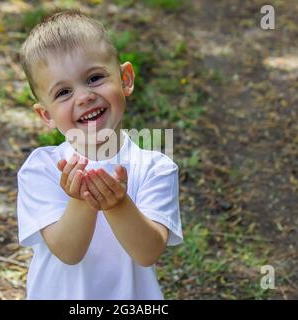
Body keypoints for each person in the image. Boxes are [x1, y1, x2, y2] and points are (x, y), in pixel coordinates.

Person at [17, 9, 183, 299]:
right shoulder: (41, 169)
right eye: (63, 92)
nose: (84, 96)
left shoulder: (155, 168)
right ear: (47, 115)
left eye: (94, 78)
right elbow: (68, 252)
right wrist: (81, 201)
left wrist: (119, 205)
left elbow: (147, 253)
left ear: (126, 79)